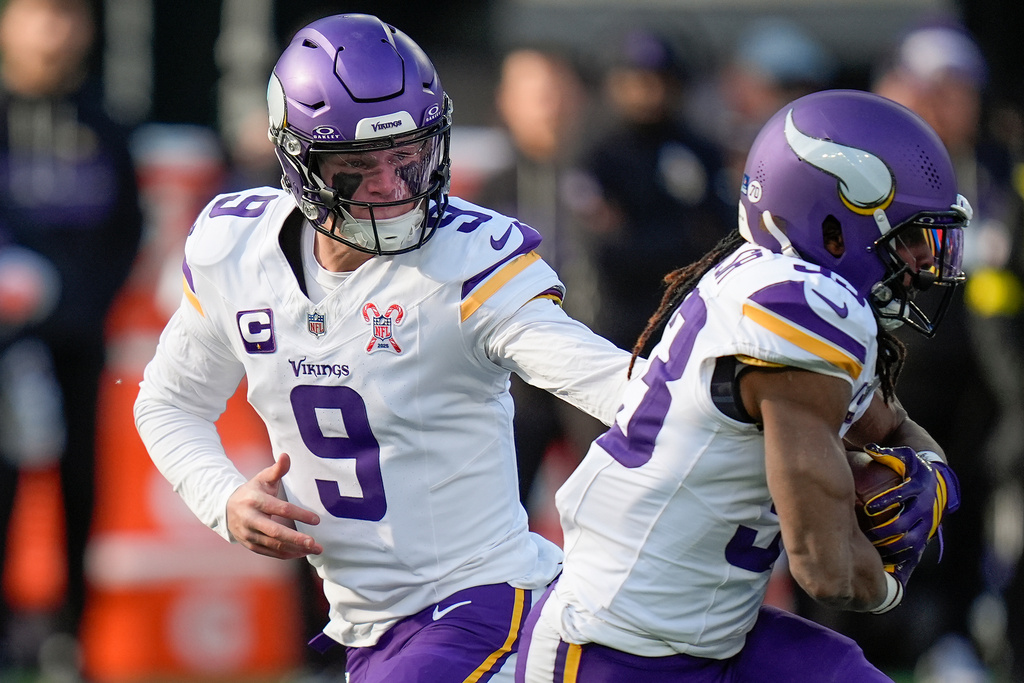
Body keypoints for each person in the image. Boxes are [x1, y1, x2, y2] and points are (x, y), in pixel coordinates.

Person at [133, 13, 636, 683]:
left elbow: (613, 384)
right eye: (357, 166)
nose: (392, 187)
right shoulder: (239, 251)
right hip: (372, 627)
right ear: (299, 161)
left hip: (483, 600)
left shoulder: (468, 263)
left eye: (408, 157)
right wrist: (222, 498)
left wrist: (731, 400)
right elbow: (169, 403)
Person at [515, 89, 966, 682]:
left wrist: (934, 475)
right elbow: (826, 570)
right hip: (617, 651)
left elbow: (896, 427)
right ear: (835, 228)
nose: (920, 263)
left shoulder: (775, 287)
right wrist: (893, 579)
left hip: (702, 630)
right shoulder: (804, 313)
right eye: (908, 238)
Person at [0, 0, 143, 673]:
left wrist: (81, 308)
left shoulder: (102, 122)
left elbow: (127, 228)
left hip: (79, 337)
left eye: (67, 15)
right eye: (39, 13)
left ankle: (71, 637)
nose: (53, 31)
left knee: (81, 482)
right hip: (5, 342)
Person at [473, 47, 604, 515]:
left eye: (556, 91)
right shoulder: (489, 194)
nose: (548, 107)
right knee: (496, 509)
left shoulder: (613, 175)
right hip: (515, 377)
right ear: (507, 102)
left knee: (613, 506)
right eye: (534, 94)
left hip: (594, 361)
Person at [574, 28, 733, 355]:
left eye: (660, 80)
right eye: (635, 81)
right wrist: (681, 238)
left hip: (691, 316)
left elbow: (720, 237)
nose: (648, 92)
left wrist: (654, 240)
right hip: (615, 324)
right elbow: (606, 248)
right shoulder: (599, 156)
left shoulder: (700, 151)